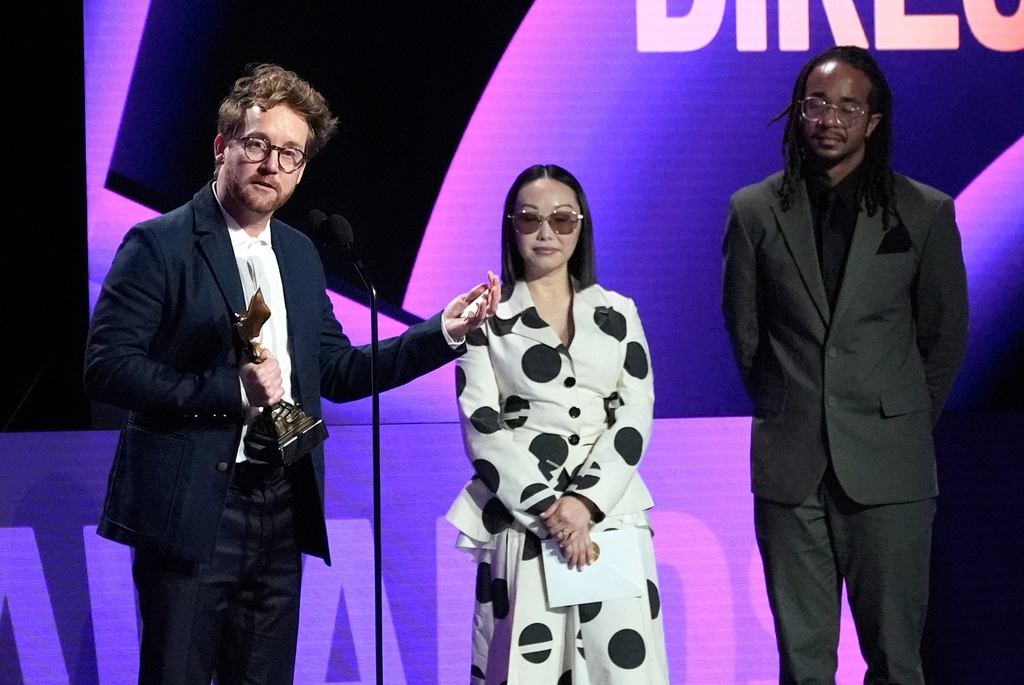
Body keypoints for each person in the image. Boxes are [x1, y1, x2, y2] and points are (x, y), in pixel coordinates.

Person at [84, 63, 499, 685]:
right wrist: (228, 392)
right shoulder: (160, 244)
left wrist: (443, 331)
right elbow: (107, 368)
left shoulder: (300, 255)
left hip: (281, 507)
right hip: (196, 509)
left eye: (291, 154)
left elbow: (337, 371)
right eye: (258, 145)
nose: (273, 165)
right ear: (222, 147)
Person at [722, 46, 968, 684]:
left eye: (848, 107)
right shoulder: (753, 211)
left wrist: (900, 418)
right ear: (799, 113)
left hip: (891, 470)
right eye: (817, 103)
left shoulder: (924, 212)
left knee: (896, 660)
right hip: (790, 468)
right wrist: (789, 404)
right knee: (803, 666)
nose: (829, 118)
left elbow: (944, 337)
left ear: (874, 121)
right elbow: (746, 331)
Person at [446, 164, 670, 684]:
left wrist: (584, 503)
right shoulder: (486, 316)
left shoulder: (618, 312)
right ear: (511, 227)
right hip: (525, 520)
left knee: (622, 671)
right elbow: (481, 421)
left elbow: (634, 414)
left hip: (609, 518)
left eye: (562, 219)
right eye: (530, 219)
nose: (546, 233)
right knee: (528, 668)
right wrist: (550, 509)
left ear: (581, 226)